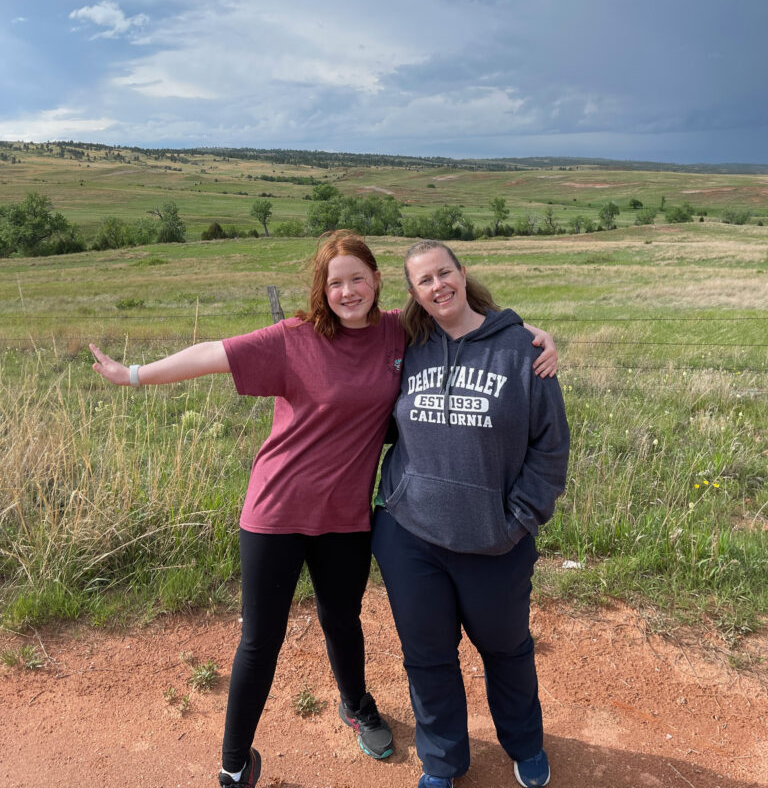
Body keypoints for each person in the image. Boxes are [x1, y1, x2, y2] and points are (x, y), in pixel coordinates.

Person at [89, 231, 558, 788]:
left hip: (357, 520)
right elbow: (216, 354)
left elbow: (477, 337)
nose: (348, 290)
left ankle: (381, 712)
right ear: (323, 289)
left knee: (366, 625)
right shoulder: (301, 337)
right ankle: (241, 763)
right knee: (280, 641)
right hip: (298, 514)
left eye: (358, 277)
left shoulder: (398, 332)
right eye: (335, 282)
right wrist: (134, 375)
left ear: (379, 284)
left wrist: (528, 334)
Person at [372, 239, 569, 788]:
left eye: (444, 273)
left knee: (506, 649)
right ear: (413, 294)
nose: (438, 286)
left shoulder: (523, 349)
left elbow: (550, 449)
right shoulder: (405, 346)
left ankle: (524, 743)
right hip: (410, 534)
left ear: (462, 272)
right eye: (424, 281)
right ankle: (442, 761)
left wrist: (517, 519)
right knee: (427, 656)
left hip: (495, 542)